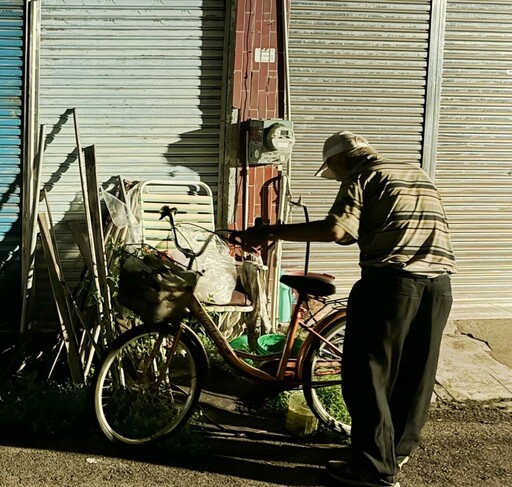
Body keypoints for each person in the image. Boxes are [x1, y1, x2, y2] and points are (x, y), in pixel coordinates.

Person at [239, 130, 457, 487]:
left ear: (342, 159)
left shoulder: (363, 175)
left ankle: (372, 469)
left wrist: (271, 232)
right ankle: (393, 455)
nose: (336, 177)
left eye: (333, 170)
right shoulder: (418, 173)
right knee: (414, 375)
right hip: (439, 286)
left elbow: (338, 230)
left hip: (391, 284)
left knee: (366, 375)